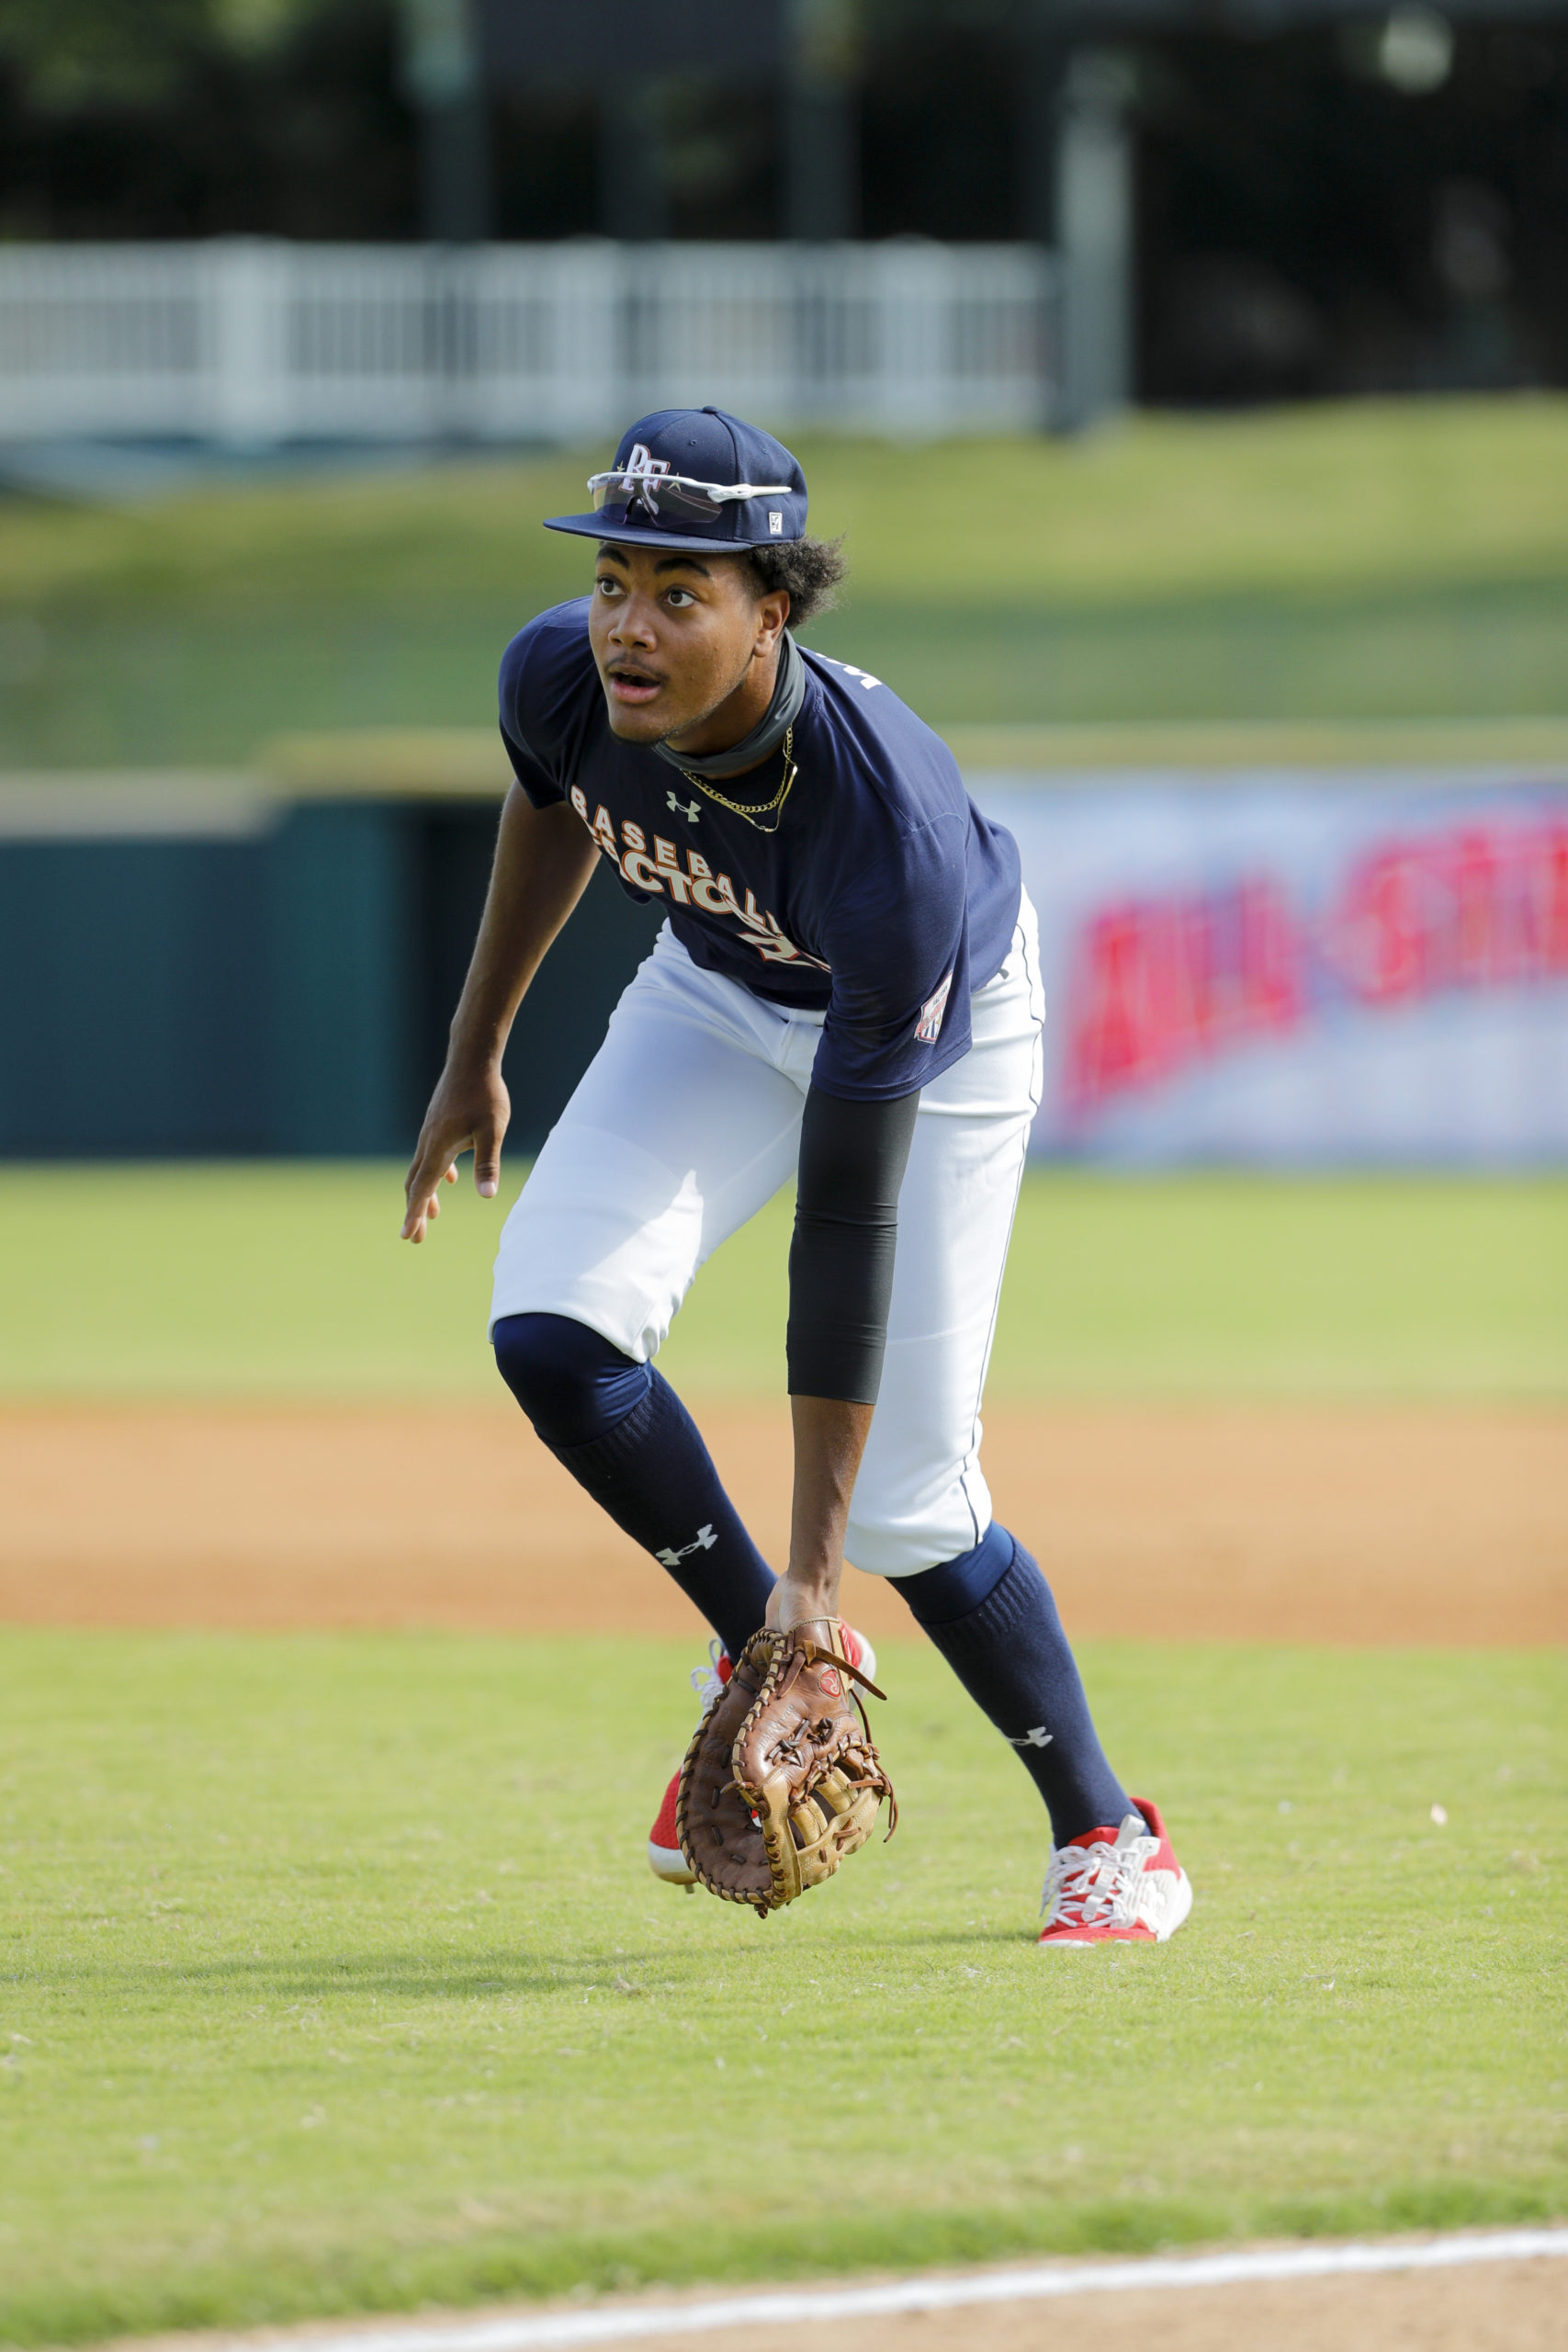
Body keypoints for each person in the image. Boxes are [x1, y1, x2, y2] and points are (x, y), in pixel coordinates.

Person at [401, 406, 1191, 1946]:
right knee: (553, 1327)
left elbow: (845, 1218)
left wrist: (820, 1577)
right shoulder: (558, 675)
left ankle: (1109, 1831)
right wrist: (475, 1047)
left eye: (680, 593)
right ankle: (758, 1652)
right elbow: (552, 799)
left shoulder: (881, 828)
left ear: (776, 609)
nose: (629, 626)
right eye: (615, 579)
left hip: (939, 1033)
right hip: (715, 990)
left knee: (906, 1508)